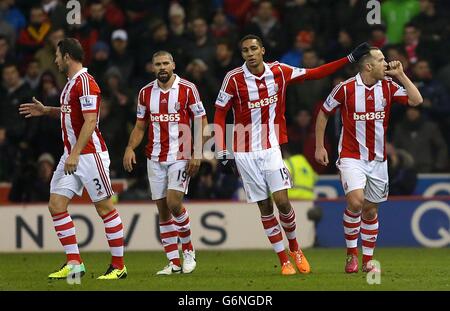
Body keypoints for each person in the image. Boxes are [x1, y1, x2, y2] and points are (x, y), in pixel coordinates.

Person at [214, 34, 370, 275]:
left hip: (271, 148)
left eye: (254, 48)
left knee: (282, 202)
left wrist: (349, 58)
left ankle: (296, 248)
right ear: (242, 54)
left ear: (262, 50)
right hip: (244, 153)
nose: (250, 53)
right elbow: (220, 113)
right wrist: (222, 149)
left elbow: (315, 73)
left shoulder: (279, 71)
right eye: (245, 50)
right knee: (264, 207)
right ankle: (284, 260)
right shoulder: (233, 79)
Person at [19, 38, 127, 280]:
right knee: (56, 205)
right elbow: (72, 113)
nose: (55, 60)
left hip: (89, 155)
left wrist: (76, 154)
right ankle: (74, 262)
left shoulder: (86, 83)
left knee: (104, 207)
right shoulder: (70, 84)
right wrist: (48, 111)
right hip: (71, 155)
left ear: (67, 56)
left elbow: (90, 121)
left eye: (57, 55)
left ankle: (119, 266)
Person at [315, 47, 422, 273]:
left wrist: (401, 75)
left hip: (378, 160)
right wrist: (319, 145)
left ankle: (367, 261)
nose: (387, 63)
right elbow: (324, 112)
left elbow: (416, 100)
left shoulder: (388, 87)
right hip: (351, 156)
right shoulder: (345, 89)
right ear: (368, 66)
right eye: (381, 60)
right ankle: (351, 255)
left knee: (371, 211)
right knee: (356, 202)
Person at [123, 51, 208, 275]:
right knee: (162, 211)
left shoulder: (188, 89)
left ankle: (188, 251)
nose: (162, 67)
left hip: (180, 155)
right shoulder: (144, 93)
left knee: (173, 202)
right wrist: (130, 147)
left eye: (166, 63)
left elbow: (202, 120)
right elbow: (140, 126)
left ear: (173, 65)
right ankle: (173, 262)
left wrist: (197, 152)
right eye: (158, 64)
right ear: (152, 67)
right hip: (154, 157)